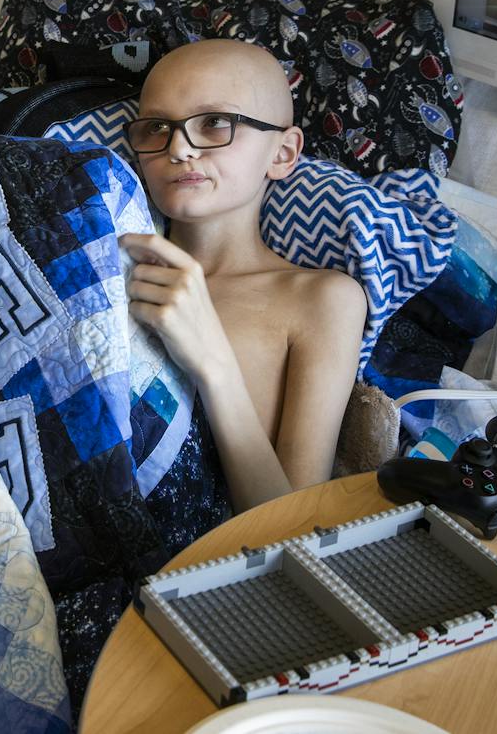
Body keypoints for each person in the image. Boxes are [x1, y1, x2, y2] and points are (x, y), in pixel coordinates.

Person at [118, 40, 367, 512]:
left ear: (283, 152)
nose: (179, 148)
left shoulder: (321, 298)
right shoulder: (108, 263)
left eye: (215, 123)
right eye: (156, 127)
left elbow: (289, 530)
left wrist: (213, 362)